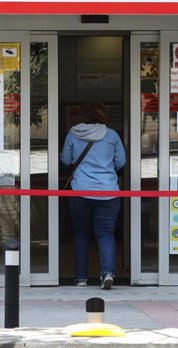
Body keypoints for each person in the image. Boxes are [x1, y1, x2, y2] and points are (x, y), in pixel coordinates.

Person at [60, 102, 126, 290]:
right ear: (103, 115)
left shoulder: (73, 134)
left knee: (81, 235)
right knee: (106, 234)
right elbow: (121, 162)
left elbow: (65, 159)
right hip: (108, 192)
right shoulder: (112, 135)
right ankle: (107, 273)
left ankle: (81, 278)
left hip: (81, 191)